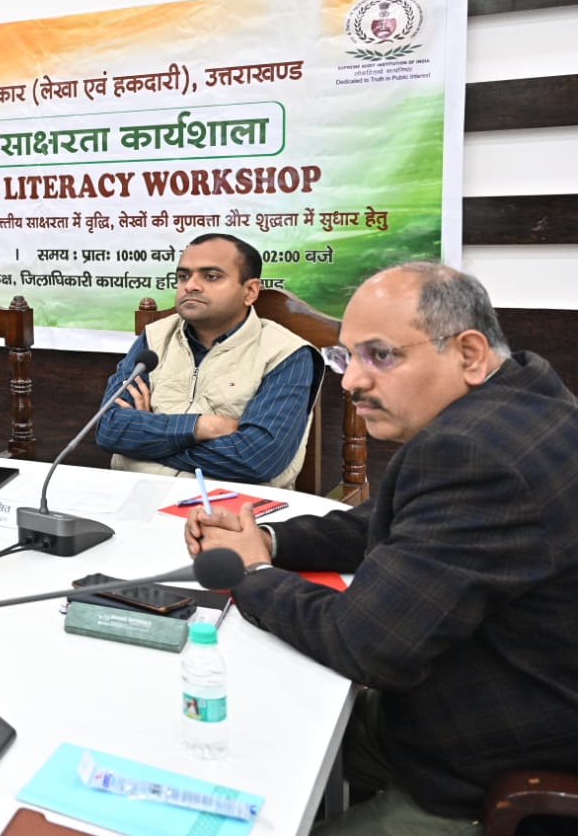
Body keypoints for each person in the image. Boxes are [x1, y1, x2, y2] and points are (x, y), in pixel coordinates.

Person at [186, 263, 578, 833]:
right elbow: (394, 523)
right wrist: (270, 538)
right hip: (465, 700)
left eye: (380, 356)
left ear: (469, 353)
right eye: (345, 357)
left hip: (486, 764)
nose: (351, 381)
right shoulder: (523, 395)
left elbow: (364, 644)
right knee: (250, 732)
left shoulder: (474, 453)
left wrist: (251, 572)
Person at [95, 233, 318, 487]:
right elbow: (109, 428)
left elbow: (257, 459)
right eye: (183, 276)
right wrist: (202, 426)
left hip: (229, 505)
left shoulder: (287, 353)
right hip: (138, 493)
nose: (190, 286)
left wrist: (146, 441)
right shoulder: (156, 338)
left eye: (211, 276)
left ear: (250, 291)